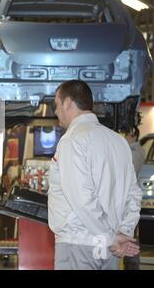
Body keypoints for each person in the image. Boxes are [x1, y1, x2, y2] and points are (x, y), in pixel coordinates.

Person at [48, 80, 143, 270]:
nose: (56, 111)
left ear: (68, 102)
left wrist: (110, 237)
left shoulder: (72, 140)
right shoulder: (119, 142)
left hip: (78, 244)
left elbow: (82, 199)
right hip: (109, 251)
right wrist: (123, 232)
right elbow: (133, 194)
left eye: (56, 104)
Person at [123, 126, 145, 270]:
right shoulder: (134, 150)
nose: (124, 136)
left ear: (133, 135)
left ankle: (132, 262)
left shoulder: (135, 152)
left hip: (130, 197)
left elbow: (129, 172)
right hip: (130, 196)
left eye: (126, 134)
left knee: (130, 230)